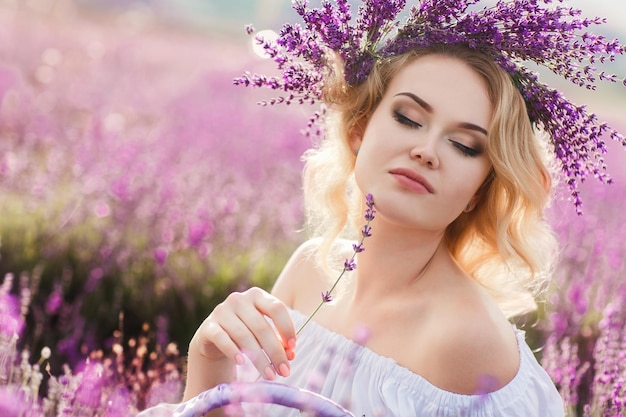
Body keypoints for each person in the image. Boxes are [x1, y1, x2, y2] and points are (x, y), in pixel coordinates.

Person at [140, 1, 626, 415]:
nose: (427, 150)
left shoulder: (467, 342)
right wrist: (209, 361)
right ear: (360, 130)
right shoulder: (311, 269)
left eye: (464, 145)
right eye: (408, 117)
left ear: (479, 190)